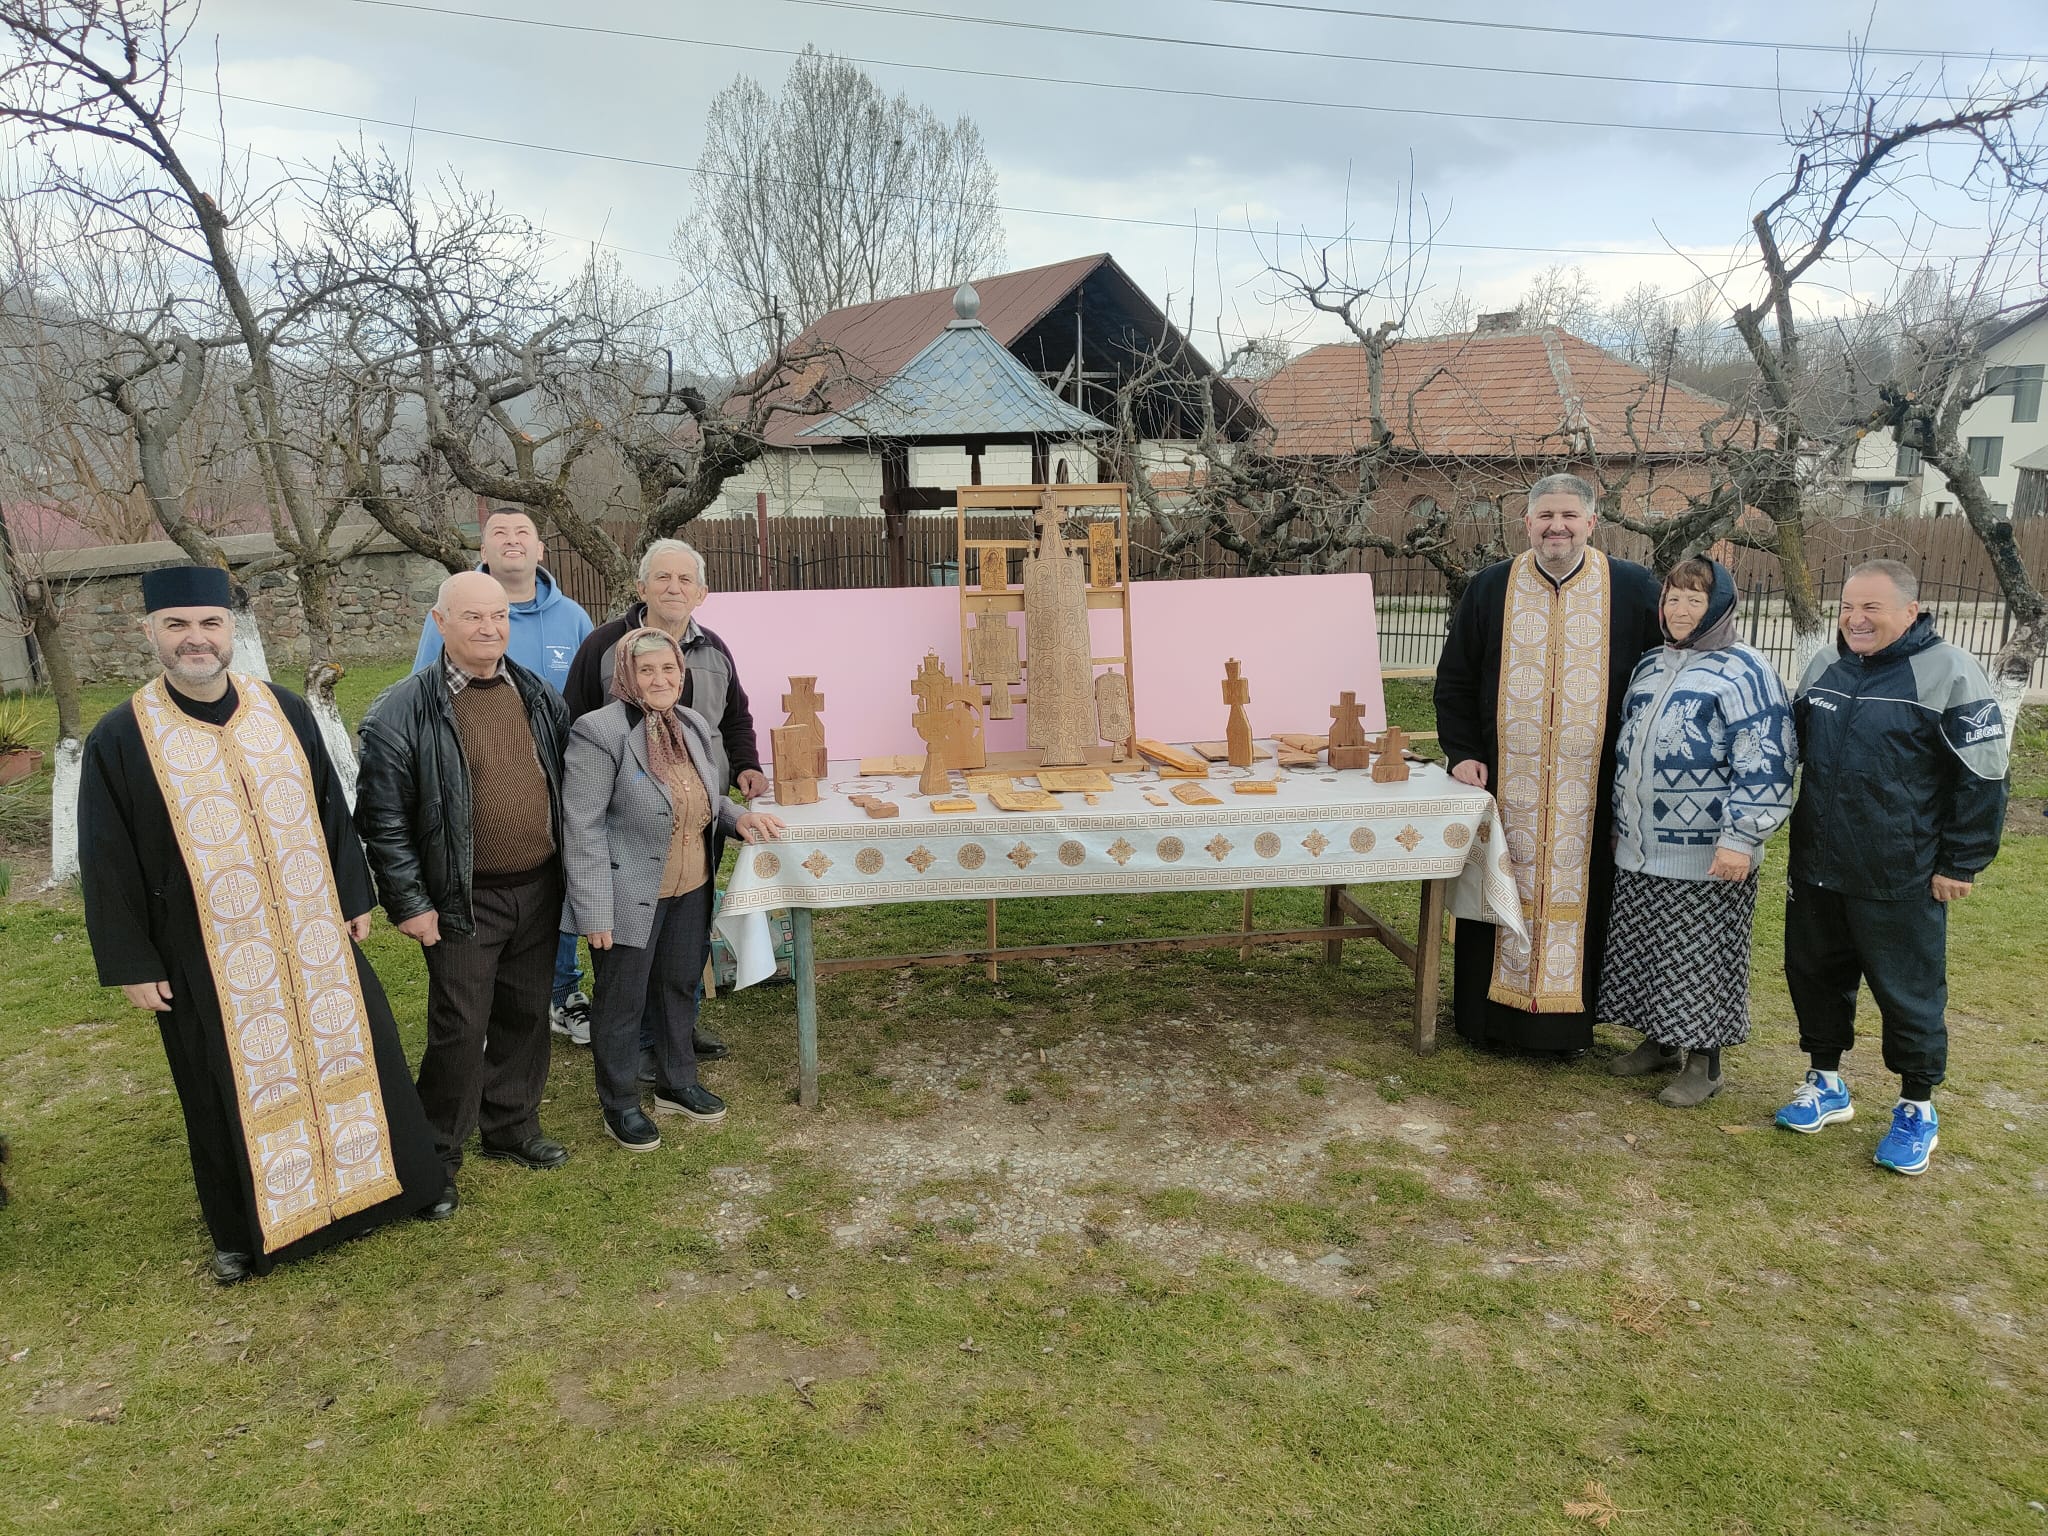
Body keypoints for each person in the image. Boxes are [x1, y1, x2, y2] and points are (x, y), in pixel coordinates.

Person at [78, 564, 441, 1283]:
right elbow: (106, 856)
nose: (196, 639)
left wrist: (351, 895)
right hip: (203, 951)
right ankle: (243, 1233)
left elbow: (329, 804)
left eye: (209, 623)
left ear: (230, 629)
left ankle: (395, 1190)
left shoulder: (283, 708)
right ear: (150, 632)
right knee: (218, 1083)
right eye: (177, 625)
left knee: (359, 1053)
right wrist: (132, 962)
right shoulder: (120, 736)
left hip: (312, 936)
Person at [1774, 559, 2009, 1175]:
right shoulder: (1824, 666)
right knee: (1814, 975)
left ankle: (1916, 1107)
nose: (1855, 619)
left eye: (1871, 608)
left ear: (1910, 611)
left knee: (1908, 994)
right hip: (1818, 865)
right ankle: (1826, 1083)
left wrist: (1961, 861)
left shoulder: (1950, 671)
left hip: (1900, 871)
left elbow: (1984, 774)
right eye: (1848, 607)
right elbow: (1790, 749)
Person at [357, 571, 574, 1216]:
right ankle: (437, 1155)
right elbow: (383, 821)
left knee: (526, 1013)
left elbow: (559, 781)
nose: (489, 628)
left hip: (537, 885)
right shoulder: (401, 711)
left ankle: (510, 1126)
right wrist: (410, 903)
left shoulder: (536, 694)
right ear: (440, 622)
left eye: (499, 616)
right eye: (474, 616)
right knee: (460, 1027)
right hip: (461, 900)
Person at [1433, 472, 1663, 1057]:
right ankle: (1486, 1020)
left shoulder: (1633, 588)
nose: (1556, 527)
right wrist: (1462, 752)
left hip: (1593, 791)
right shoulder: (1491, 587)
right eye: (1545, 516)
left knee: (1588, 898)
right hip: (1506, 784)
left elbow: (1660, 678)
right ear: (1527, 522)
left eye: (1568, 516)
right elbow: (1455, 678)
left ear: (1591, 522)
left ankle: (1569, 1030)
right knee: (1498, 887)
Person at [561, 629, 785, 1149]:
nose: (660, 680)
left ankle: (677, 1082)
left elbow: (703, 792)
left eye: (669, 669)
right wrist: (594, 911)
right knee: (623, 1001)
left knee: (679, 985)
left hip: (691, 884)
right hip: (627, 895)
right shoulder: (598, 732)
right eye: (647, 670)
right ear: (626, 675)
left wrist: (737, 818)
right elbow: (582, 826)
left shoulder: (691, 723)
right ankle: (620, 1102)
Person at [1598, 556, 1795, 1106]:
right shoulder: (1650, 665)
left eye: (1695, 600)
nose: (1680, 610)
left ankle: (1705, 1064)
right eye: (1673, 598)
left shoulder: (1745, 671)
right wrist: (1619, 823)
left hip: (1709, 851)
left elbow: (1767, 758)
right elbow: (1627, 751)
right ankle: (1659, 1042)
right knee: (1649, 949)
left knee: (1699, 958)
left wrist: (1742, 838)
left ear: (1719, 607)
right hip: (1642, 843)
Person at [563, 538, 766, 1068]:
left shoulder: (714, 651)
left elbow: (735, 718)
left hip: (697, 819)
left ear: (701, 593)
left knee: (683, 938)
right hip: (628, 833)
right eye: (663, 577)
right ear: (642, 587)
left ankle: (678, 1029)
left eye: (685, 580)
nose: (674, 588)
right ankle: (640, 1046)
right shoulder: (604, 645)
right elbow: (574, 719)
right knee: (633, 950)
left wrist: (746, 766)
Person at [413, 507, 597, 1048]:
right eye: (500, 533)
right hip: (476, 789)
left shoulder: (572, 618)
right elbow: (424, 697)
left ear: (541, 549)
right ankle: (486, 999)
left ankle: (563, 990)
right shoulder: (454, 609)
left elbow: (592, 698)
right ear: (484, 549)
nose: (512, 541)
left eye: (523, 533)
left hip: (557, 780)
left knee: (552, 887)